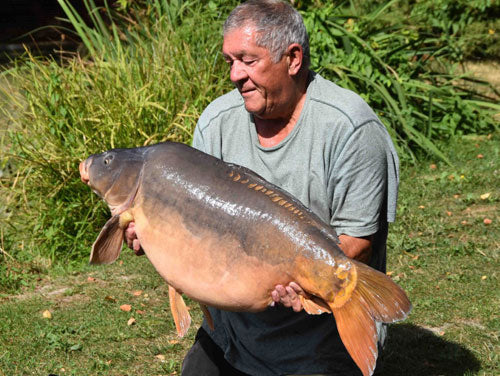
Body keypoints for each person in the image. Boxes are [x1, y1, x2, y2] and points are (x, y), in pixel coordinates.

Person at [126, 0, 399, 374]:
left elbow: (358, 245)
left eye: (248, 60)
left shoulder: (351, 130)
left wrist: (296, 274)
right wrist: (160, 236)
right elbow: (195, 223)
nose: (235, 74)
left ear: (293, 58)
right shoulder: (216, 121)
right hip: (234, 334)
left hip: (318, 342)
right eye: (229, 61)